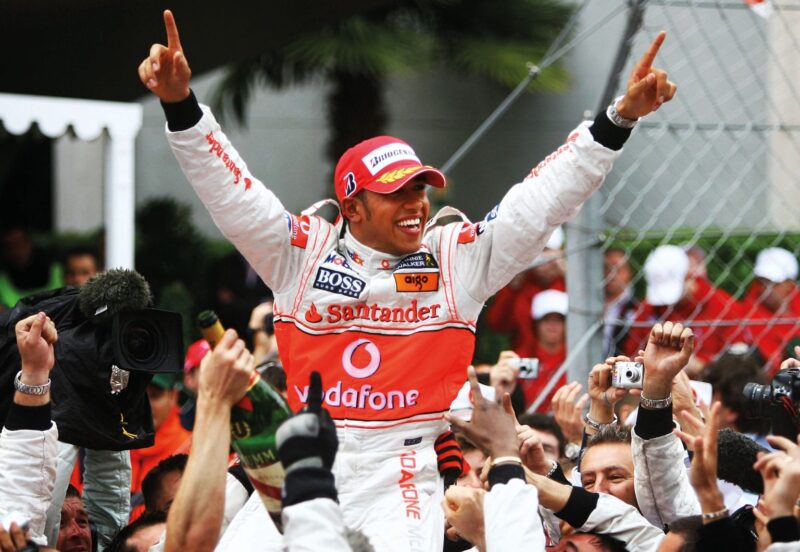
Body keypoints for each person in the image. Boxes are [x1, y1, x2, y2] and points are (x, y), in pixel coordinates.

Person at [139, 10, 676, 550]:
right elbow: (231, 194)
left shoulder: (457, 259)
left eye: (421, 189)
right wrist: (182, 106)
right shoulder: (298, 252)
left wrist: (617, 120)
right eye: (396, 192)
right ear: (352, 205)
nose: (416, 204)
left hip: (403, 472)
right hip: (305, 457)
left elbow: (541, 200)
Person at [625, 245, 747, 373]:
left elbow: (737, 363)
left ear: (690, 276)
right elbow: (631, 353)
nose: (667, 304)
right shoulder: (650, 307)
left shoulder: (724, 306)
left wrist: (700, 367)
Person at [484, 226, 566, 356]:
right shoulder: (519, 283)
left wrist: (568, 275)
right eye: (537, 251)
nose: (541, 258)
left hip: (566, 364)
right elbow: (497, 324)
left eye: (547, 251)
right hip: (524, 365)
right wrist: (514, 283)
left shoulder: (568, 283)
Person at [129, 374, 191, 499]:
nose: (144, 406)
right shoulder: (106, 446)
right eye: (138, 395)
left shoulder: (191, 450)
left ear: (173, 396)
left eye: (155, 396)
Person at [740, 247, 800, 373]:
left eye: (773, 283)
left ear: (790, 284)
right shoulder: (750, 309)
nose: (766, 289)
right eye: (762, 282)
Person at [520, 289, 568, 412]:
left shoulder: (576, 358)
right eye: (547, 320)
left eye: (558, 320)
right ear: (536, 323)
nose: (552, 326)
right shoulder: (523, 357)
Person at [603, 248, 639, 357]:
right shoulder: (590, 304)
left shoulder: (636, 308)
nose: (611, 274)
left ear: (629, 272)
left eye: (618, 269)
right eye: (607, 268)